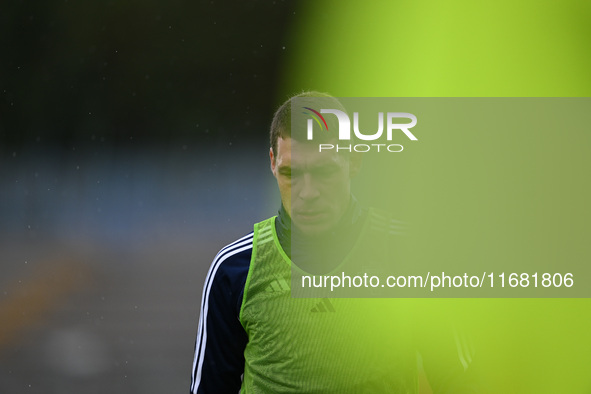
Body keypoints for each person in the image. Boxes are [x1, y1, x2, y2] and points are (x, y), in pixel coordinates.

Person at [190, 92, 479, 393]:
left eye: (324, 171)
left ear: (354, 160)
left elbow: (461, 381)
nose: (308, 192)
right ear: (273, 164)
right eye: (291, 173)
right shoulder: (234, 269)